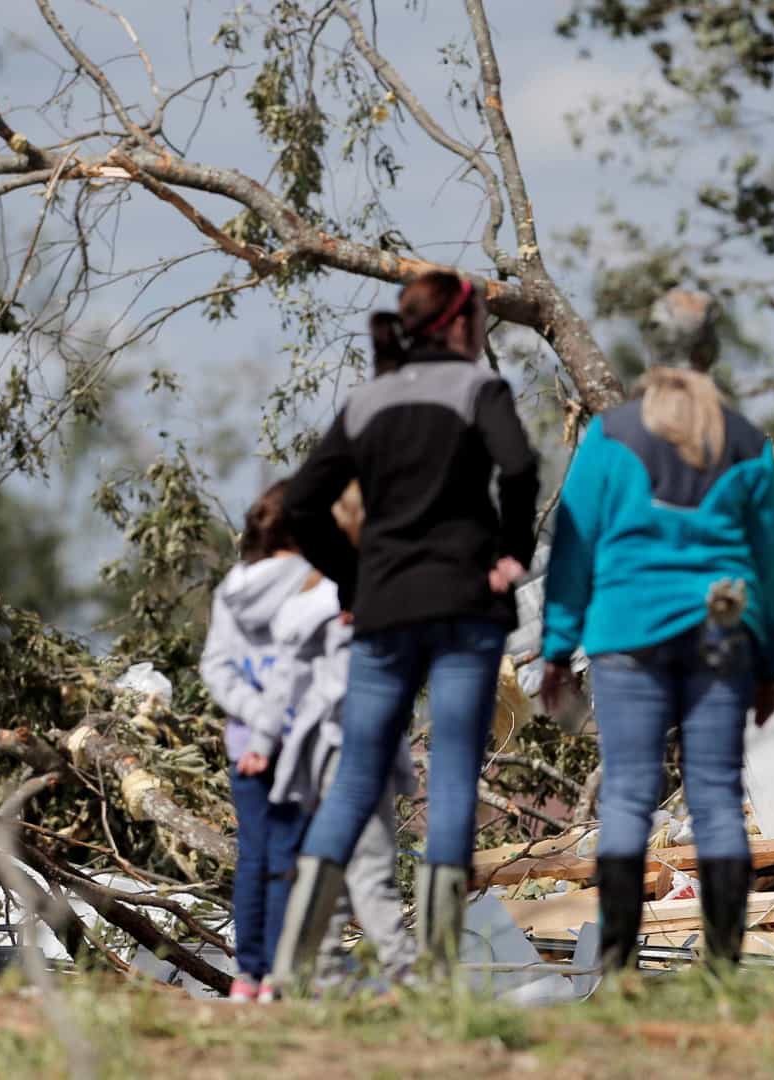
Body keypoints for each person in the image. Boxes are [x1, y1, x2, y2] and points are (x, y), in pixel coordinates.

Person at [271, 270, 540, 986]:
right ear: (459, 323)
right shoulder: (480, 390)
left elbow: (301, 504)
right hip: (464, 609)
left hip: (385, 611)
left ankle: (298, 961)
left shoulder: (367, 401)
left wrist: (353, 580)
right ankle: (439, 971)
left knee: (355, 777)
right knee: (452, 778)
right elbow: (519, 467)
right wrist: (511, 553)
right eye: (481, 314)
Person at [538, 366, 774, 978]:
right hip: (720, 635)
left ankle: (619, 970)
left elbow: (574, 545)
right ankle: (723, 970)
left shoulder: (612, 433)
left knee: (626, 793)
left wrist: (556, 645)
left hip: (627, 631)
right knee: (718, 797)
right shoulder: (747, 441)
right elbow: (771, 562)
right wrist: (769, 660)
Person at [263, 482, 417, 983]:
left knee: (339, 869)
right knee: (367, 866)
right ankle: (403, 974)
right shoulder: (344, 588)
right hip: (348, 748)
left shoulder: (342, 588)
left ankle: (322, 974)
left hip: (339, 749)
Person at [200, 480, 315, 1002]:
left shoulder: (233, 586)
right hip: (297, 741)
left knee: (253, 856)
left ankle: (247, 974)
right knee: (288, 856)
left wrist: (251, 715)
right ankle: (279, 975)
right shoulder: (314, 582)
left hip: (243, 742)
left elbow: (216, 667)